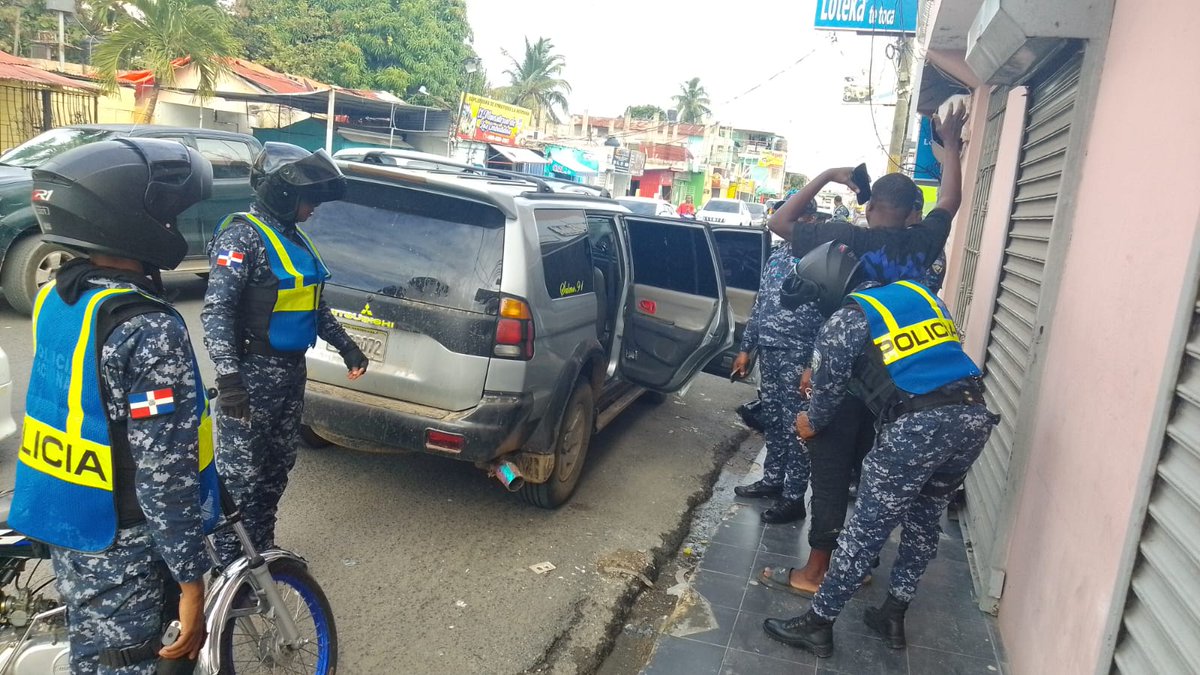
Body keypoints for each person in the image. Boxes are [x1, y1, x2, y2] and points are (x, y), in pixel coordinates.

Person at [9, 138, 220, 673]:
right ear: (129, 220)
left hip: (68, 513)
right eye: (169, 217)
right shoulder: (146, 328)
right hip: (123, 541)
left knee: (91, 650)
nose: (174, 230)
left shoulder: (60, 297)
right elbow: (163, 473)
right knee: (125, 662)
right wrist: (192, 580)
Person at [760, 243, 998, 658]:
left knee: (866, 528)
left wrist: (808, 423)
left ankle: (817, 624)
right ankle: (893, 612)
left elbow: (825, 400)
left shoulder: (844, 321)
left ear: (828, 289)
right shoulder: (921, 295)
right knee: (924, 521)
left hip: (918, 424)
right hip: (972, 415)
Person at [201, 142, 367, 562]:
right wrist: (229, 378)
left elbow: (313, 305)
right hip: (251, 378)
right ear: (284, 192)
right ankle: (228, 566)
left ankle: (261, 554)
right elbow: (217, 310)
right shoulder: (242, 237)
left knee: (275, 471)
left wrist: (347, 347)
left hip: (290, 375)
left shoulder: (293, 239)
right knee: (241, 479)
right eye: (308, 199)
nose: (314, 208)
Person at [731, 199, 826, 524]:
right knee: (773, 419)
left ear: (810, 220)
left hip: (799, 355)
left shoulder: (821, 259)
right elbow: (761, 303)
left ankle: (794, 496)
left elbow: (829, 316)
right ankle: (773, 480)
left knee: (795, 426)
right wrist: (747, 348)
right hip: (770, 351)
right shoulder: (778, 254)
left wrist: (813, 364)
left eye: (795, 217)